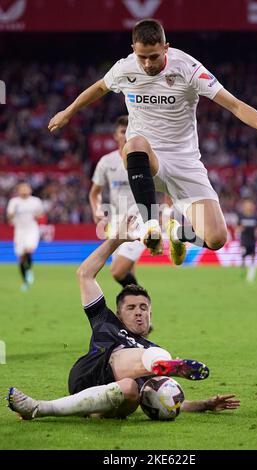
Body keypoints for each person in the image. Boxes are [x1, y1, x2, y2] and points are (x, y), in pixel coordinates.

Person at [48, 19, 257, 266]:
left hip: (185, 162)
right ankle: (151, 225)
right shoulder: (124, 68)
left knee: (217, 237)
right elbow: (99, 88)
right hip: (147, 157)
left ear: (166, 47)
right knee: (133, 144)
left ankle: (176, 233)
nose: (147, 64)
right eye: (142, 57)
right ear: (133, 49)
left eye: (153, 57)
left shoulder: (188, 68)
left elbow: (234, 105)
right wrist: (68, 112)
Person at [8, 216, 240, 420]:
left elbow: (165, 399)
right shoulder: (106, 321)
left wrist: (205, 405)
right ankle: (41, 407)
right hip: (90, 374)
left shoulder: (151, 346)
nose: (139, 312)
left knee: (133, 390)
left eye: (143, 307)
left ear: (151, 314)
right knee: (151, 359)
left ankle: (85, 410)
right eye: (131, 308)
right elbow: (84, 274)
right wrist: (116, 240)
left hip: (119, 394)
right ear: (119, 313)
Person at [89, 115, 144, 288]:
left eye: (130, 130)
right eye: (122, 131)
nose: (126, 134)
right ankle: (137, 308)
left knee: (117, 271)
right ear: (115, 135)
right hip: (116, 222)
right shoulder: (107, 162)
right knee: (127, 274)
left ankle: (143, 299)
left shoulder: (145, 159)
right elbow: (94, 193)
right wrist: (96, 209)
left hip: (140, 219)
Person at [6, 182, 44, 291]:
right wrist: (13, 213)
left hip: (32, 229)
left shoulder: (36, 201)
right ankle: (25, 282)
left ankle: (29, 270)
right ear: (18, 190)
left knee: (29, 250)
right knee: (21, 258)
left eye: (26, 188)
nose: (24, 190)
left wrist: (38, 216)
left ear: (30, 190)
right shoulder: (14, 202)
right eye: (22, 188)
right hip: (19, 231)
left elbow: (41, 214)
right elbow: (9, 218)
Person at [237, 199, 257, 282]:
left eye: (250, 205)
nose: (248, 207)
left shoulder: (255, 217)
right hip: (244, 240)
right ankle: (243, 268)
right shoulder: (241, 216)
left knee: (253, 255)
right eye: (247, 205)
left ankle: (251, 272)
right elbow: (237, 227)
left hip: (252, 240)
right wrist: (240, 229)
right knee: (243, 255)